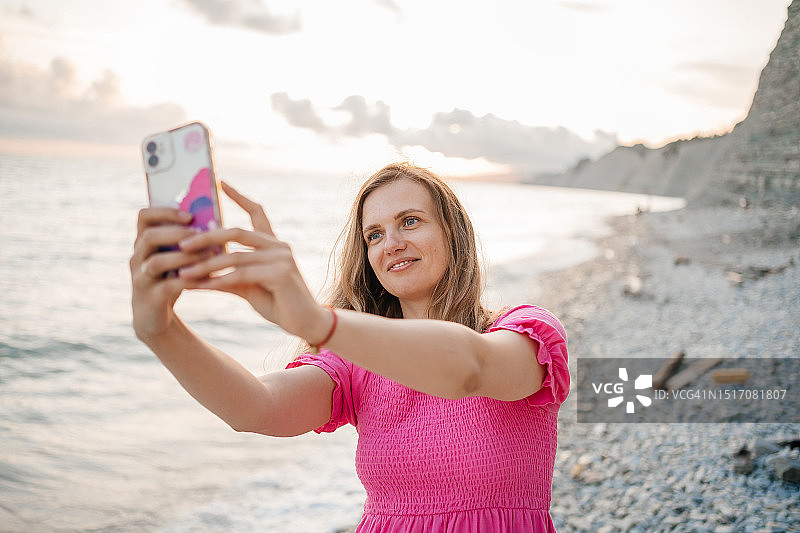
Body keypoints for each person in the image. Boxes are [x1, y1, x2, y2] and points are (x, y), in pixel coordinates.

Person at [130, 162, 570, 532]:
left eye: (410, 221)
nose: (391, 243)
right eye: (374, 235)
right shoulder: (352, 362)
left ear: (453, 233)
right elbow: (256, 408)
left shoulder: (525, 333)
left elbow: (469, 368)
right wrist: (162, 332)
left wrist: (318, 321)